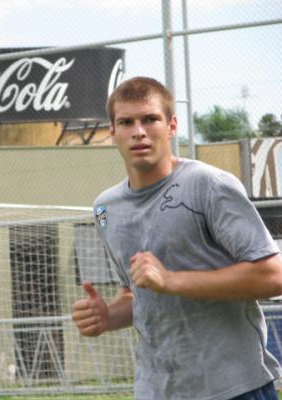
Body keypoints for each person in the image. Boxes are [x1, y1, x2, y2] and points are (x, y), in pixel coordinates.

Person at [72, 76, 282, 400]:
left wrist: (171, 280)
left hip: (235, 388)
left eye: (150, 119)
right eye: (126, 122)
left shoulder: (209, 185)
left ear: (171, 126)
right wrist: (108, 316)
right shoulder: (104, 208)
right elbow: (137, 293)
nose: (138, 131)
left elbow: (273, 276)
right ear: (112, 132)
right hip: (156, 390)